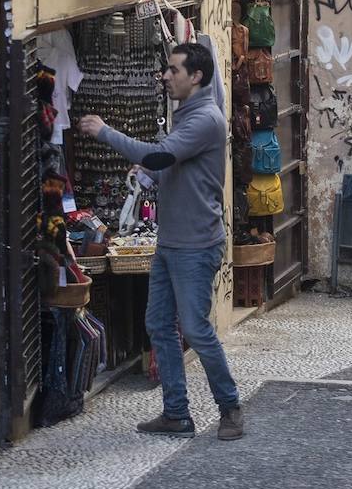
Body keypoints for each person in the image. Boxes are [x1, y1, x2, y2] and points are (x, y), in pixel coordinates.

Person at [78, 42, 244, 440]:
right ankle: (176, 413)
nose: (165, 76)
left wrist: (105, 132)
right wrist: (154, 175)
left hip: (196, 246)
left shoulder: (204, 118)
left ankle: (231, 408)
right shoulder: (187, 114)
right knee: (158, 324)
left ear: (196, 76)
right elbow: (175, 166)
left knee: (196, 329)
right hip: (172, 243)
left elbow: (159, 156)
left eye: (173, 70)